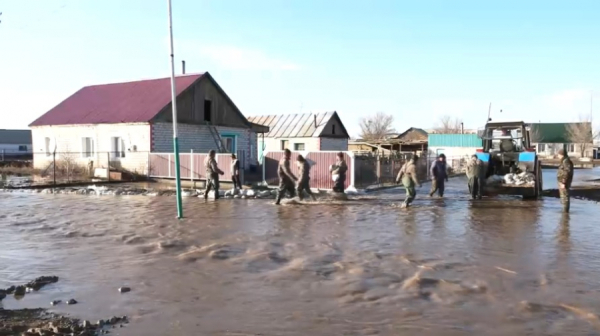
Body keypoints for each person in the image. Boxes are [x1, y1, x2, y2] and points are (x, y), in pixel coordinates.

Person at [556, 149, 574, 213]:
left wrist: (564, 182)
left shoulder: (566, 162)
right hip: (562, 182)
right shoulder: (564, 161)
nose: (558, 156)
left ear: (561, 155)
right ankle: (565, 213)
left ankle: (565, 212)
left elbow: (566, 172)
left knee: (565, 197)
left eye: (558, 154)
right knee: (563, 197)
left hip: (564, 182)